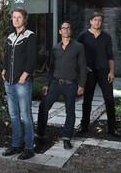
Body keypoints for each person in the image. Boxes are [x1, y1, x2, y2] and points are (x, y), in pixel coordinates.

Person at [35, 21, 87, 149]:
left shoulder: (78, 47)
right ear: (60, 31)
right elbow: (51, 68)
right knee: (43, 107)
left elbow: (83, 67)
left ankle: (67, 138)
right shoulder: (55, 48)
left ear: (70, 30)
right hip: (55, 84)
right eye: (63, 28)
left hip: (71, 85)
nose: (66, 30)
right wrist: (47, 84)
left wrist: (82, 85)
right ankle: (40, 134)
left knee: (70, 112)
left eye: (68, 28)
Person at [1, 7, 37, 160]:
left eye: (19, 17)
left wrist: (25, 75)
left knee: (26, 115)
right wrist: (3, 69)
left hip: (22, 82)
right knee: (14, 115)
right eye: (14, 17)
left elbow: (33, 58)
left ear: (24, 19)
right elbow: (7, 56)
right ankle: (16, 145)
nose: (16, 19)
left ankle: (29, 147)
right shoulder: (10, 37)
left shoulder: (30, 36)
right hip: (8, 82)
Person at [77, 12, 120, 137]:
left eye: (99, 20)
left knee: (109, 100)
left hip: (104, 71)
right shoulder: (83, 36)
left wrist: (111, 71)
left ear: (101, 22)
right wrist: (83, 68)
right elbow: (79, 56)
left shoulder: (106, 37)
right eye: (95, 20)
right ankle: (84, 126)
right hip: (89, 72)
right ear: (90, 21)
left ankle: (112, 129)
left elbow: (110, 56)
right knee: (87, 100)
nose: (97, 22)